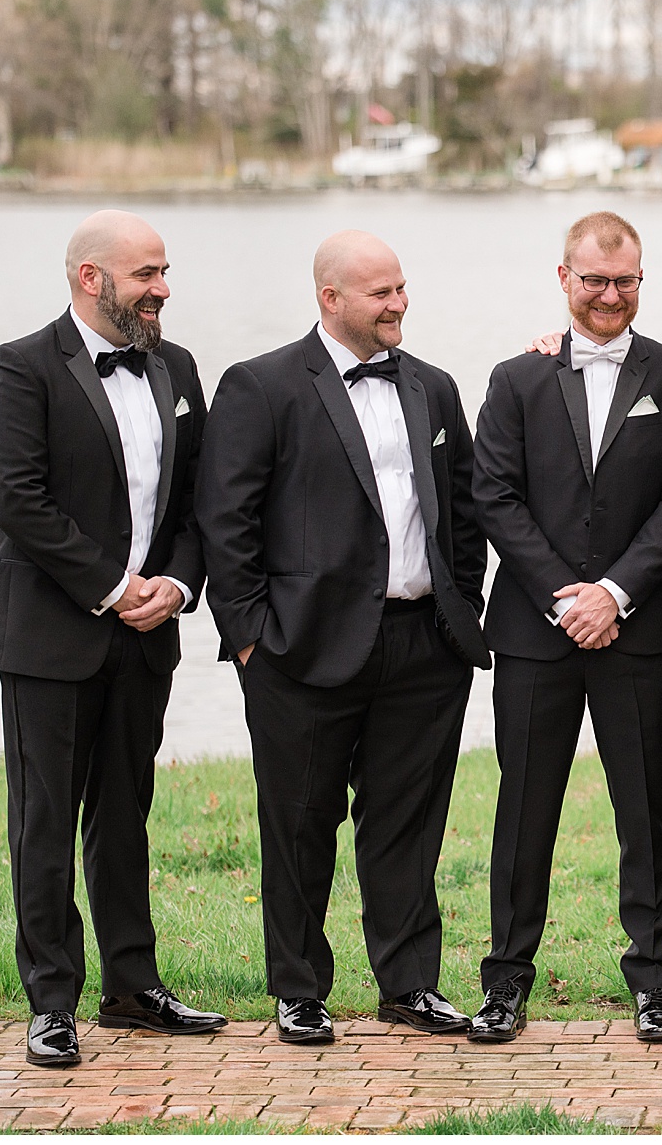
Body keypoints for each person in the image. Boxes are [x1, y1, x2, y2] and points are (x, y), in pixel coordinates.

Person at [196, 230, 490, 1046]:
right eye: (380, 293)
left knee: (407, 824)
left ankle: (410, 985)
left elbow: (463, 513)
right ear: (330, 299)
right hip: (301, 648)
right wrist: (251, 635)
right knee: (298, 823)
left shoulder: (434, 387)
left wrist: (458, 608)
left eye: (401, 288)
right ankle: (298, 988)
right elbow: (227, 521)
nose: (399, 303)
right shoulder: (261, 386)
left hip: (423, 648)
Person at [0, 209, 226, 1068]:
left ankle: (133, 988)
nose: (163, 289)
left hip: (147, 634)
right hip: (49, 634)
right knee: (44, 820)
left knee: (125, 814)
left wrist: (179, 584)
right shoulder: (20, 368)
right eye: (147, 274)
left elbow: (197, 501)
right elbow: (18, 499)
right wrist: (112, 587)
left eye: (165, 271)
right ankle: (50, 1003)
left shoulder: (176, 367)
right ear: (90, 278)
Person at [467, 212, 662, 1045]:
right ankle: (504, 981)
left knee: (646, 805)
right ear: (563, 279)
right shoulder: (515, 379)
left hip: (635, 631)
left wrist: (614, 592)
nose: (612, 297)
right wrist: (565, 594)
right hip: (535, 632)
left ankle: (652, 980)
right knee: (524, 807)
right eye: (596, 281)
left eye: (626, 282)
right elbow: (493, 496)